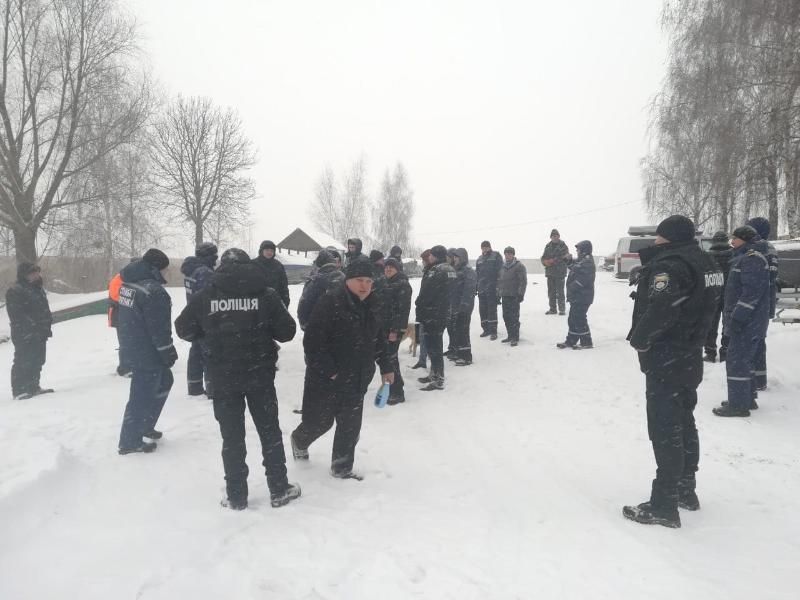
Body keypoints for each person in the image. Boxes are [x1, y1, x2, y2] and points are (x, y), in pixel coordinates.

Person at [175, 248, 301, 510]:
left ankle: (236, 495)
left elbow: (183, 328)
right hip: (260, 375)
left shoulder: (206, 295)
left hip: (223, 377)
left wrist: (210, 336)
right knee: (269, 432)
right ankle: (278, 488)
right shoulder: (266, 295)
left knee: (232, 437)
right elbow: (287, 331)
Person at [623, 215, 722, 528]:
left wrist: (640, 339)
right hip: (689, 353)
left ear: (665, 236)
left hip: (668, 353)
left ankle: (664, 503)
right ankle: (684, 489)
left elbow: (663, 308)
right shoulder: (706, 262)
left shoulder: (671, 265)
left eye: (658, 235)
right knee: (683, 420)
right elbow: (710, 305)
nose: (654, 240)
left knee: (665, 428)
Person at [290, 259, 394, 479]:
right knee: (320, 422)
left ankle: (342, 468)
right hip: (326, 379)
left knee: (350, 425)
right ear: (348, 280)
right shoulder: (330, 302)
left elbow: (378, 340)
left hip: (358, 378)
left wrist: (386, 366)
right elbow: (313, 343)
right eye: (359, 280)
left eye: (368, 281)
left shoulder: (374, 304)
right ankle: (299, 439)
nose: (364, 285)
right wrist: (332, 371)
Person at [117, 249, 177, 455]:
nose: (167, 272)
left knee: (163, 381)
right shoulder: (153, 291)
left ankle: (144, 425)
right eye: (165, 269)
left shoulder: (128, 284)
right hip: (147, 350)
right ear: (155, 268)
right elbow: (159, 328)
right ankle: (129, 440)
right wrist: (167, 351)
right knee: (141, 394)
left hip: (132, 345)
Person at [712, 226, 770, 418]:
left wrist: (737, 318)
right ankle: (746, 398)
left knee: (737, 361)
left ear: (744, 240)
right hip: (748, 321)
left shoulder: (751, 259)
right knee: (745, 360)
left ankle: (738, 405)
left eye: (735, 238)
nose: (731, 242)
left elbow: (750, 294)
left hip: (747, 322)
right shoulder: (745, 257)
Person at [6, 263, 53, 400]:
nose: (36, 275)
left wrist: (46, 324)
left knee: (38, 359)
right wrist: (31, 327)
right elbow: (16, 314)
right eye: (32, 273)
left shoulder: (37, 289)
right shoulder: (15, 291)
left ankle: (33, 386)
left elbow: (43, 308)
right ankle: (19, 390)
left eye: (37, 272)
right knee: (23, 360)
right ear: (24, 275)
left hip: (40, 332)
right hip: (24, 333)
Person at [415, 245, 456, 391]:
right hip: (442, 313)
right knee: (435, 345)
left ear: (436, 256)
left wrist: (419, 303)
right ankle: (434, 374)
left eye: (431, 255)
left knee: (434, 347)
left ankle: (438, 378)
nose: (429, 257)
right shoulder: (450, 269)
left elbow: (428, 293)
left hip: (433, 313)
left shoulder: (436, 270)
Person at [180, 242, 218, 396]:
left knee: (195, 351)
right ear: (208, 256)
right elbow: (208, 296)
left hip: (193, 315)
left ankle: (194, 386)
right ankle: (212, 389)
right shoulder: (205, 273)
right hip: (205, 318)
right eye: (214, 255)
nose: (216, 259)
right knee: (210, 353)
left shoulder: (191, 270)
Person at [746, 217, 778, 391]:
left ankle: (754, 379)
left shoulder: (759, 249)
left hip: (756, 303)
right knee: (759, 341)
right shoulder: (770, 248)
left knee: (753, 342)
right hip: (765, 302)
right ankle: (759, 378)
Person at [382, 257, 412, 404]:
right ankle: (393, 386)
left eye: (391, 267)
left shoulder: (402, 285)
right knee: (388, 358)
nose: (388, 269)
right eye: (386, 267)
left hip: (394, 329)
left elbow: (402, 310)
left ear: (397, 269)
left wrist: (394, 330)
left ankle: (397, 392)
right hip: (386, 327)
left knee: (390, 359)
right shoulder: (388, 283)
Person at [557, 240, 595, 349]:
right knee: (573, 318)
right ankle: (571, 340)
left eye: (578, 249)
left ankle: (586, 342)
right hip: (578, 296)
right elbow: (575, 267)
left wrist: (573, 287)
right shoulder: (582, 260)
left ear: (584, 250)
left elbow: (584, 279)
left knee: (579, 318)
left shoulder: (587, 262)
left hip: (583, 296)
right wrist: (568, 261)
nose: (577, 251)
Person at [704, 231, 733, 363]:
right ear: (727, 241)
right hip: (730, 294)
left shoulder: (707, 256)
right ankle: (726, 352)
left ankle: (710, 352)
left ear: (714, 241)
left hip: (711, 294)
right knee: (728, 324)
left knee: (710, 324)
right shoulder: (735, 254)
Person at [297, 249, 344, 330]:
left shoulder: (315, 280)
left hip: (318, 326)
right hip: (341, 328)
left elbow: (304, 303)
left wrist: (304, 323)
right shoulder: (344, 278)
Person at [450, 248, 477, 366]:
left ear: (463, 258)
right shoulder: (456, 270)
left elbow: (469, 291)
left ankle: (466, 357)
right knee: (457, 330)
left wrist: (464, 306)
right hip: (455, 306)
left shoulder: (468, 271)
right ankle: (458, 353)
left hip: (464, 307)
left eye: (457, 257)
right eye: (454, 257)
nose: (454, 259)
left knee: (463, 331)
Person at [498, 247, 527, 347]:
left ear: (513, 255)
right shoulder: (502, 266)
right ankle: (510, 335)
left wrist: (520, 294)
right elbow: (500, 280)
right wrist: (499, 293)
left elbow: (523, 281)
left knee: (514, 317)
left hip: (514, 295)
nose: (507, 256)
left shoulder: (519, 266)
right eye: (506, 254)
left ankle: (515, 337)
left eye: (509, 254)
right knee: (506, 316)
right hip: (505, 295)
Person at [475, 241, 503, 340]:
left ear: (490, 247)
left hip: (492, 288)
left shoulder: (496, 256)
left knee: (492, 310)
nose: (484, 249)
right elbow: (477, 274)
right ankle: (486, 329)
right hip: (482, 289)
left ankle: (493, 331)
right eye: (483, 248)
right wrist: (476, 287)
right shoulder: (479, 259)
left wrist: (498, 287)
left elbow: (501, 272)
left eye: (486, 247)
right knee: (482, 310)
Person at [410, 249, 433, 370]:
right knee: (422, 335)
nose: (423, 263)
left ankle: (432, 364)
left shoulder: (434, 272)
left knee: (429, 337)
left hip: (430, 310)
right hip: (423, 308)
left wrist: (422, 301)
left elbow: (431, 292)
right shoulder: (427, 271)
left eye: (424, 260)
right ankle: (422, 360)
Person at [107, 269, 131, 377]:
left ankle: (128, 366)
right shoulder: (118, 280)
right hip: (120, 316)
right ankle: (124, 369)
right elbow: (117, 297)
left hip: (123, 315)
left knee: (128, 342)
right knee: (125, 343)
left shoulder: (124, 278)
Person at [252, 240, 290, 307]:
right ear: (261, 251)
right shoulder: (253, 265)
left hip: (275, 304)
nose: (269, 252)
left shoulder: (278, 266)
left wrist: (285, 302)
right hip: (257, 304)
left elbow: (284, 286)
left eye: (272, 250)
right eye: (267, 250)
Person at [541, 229, 570, 315]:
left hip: (560, 273)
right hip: (550, 273)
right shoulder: (548, 246)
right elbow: (543, 257)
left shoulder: (563, 246)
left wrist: (553, 261)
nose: (554, 237)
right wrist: (544, 262)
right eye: (553, 236)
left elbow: (565, 257)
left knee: (560, 292)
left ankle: (562, 309)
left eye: (556, 236)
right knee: (551, 292)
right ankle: (552, 309)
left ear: (558, 236)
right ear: (551, 237)